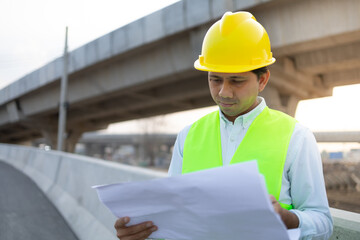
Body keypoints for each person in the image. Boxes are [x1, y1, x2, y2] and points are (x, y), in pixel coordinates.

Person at [114, 11, 333, 240]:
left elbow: (322, 221)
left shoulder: (297, 138)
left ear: (262, 80)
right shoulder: (188, 137)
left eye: (236, 81)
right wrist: (141, 232)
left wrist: (288, 220)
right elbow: (174, 220)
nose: (223, 92)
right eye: (215, 79)